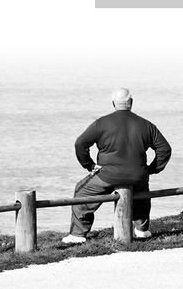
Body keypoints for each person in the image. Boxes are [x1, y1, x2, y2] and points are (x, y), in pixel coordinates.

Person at [62, 87, 172, 244]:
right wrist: (152, 169)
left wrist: (90, 165)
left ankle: (78, 234)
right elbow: (164, 149)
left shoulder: (101, 123)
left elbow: (80, 144)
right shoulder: (146, 125)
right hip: (137, 175)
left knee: (81, 190)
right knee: (142, 191)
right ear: (131, 102)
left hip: (107, 175)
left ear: (113, 103)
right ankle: (141, 230)